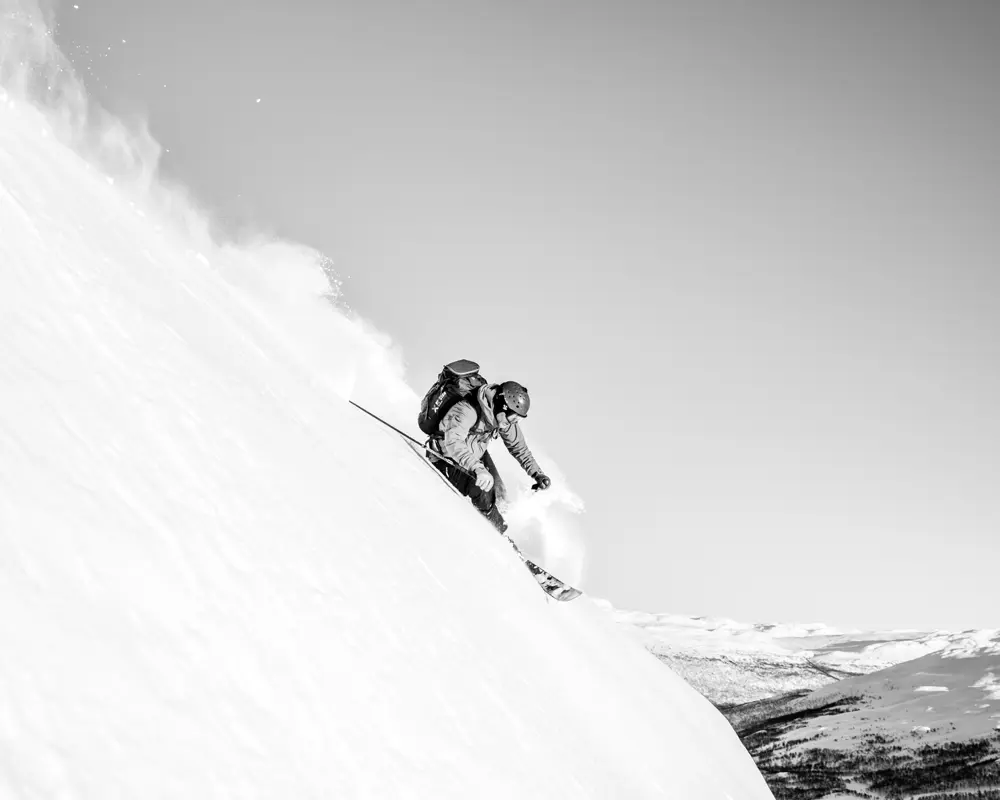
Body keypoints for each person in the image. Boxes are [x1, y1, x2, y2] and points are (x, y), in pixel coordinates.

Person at [428, 380, 551, 533]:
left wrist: (537, 473)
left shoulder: (502, 418)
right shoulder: (467, 410)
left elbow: (519, 447)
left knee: (499, 492)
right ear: (502, 407)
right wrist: (477, 468)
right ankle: (498, 535)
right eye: (512, 418)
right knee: (483, 491)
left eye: (517, 420)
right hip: (445, 456)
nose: (513, 423)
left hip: (473, 453)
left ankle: (500, 521)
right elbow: (453, 442)